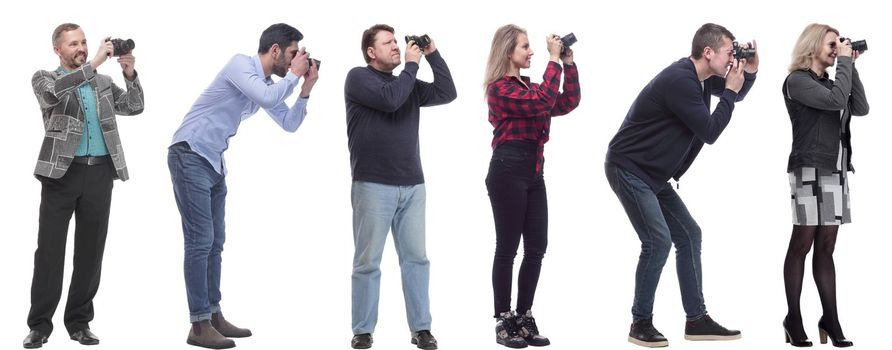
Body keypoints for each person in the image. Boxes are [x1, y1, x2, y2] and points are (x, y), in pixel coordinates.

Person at [604, 23, 757, 348]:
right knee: (658, 241)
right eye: (729, 52)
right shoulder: (681, 80)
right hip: (628, 168)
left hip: (651, 174)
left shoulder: (699, 78)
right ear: (708, 52)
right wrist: (729, 92)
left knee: (689, 234)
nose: (733, 59)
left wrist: (751, 72)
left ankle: (696, 320)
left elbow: (736, 92)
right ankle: (640, 323)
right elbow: (710, 131)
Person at [168, 23, 318, 349]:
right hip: (189, 153)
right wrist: (293, 76)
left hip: (214, 163)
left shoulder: (264, 84)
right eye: (293, 54)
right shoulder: (240, 65)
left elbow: (289, 123)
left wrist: (305, 89)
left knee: (216, 242)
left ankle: (214, 315)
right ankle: (198, 324)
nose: (296, 61)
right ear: (275, 50)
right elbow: (267, 96)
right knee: (200, 241)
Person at [24, 22, 145, 349]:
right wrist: (92, 64)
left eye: (83, 42)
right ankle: (39, 326)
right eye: (73, 44)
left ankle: (78, 322)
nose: (80, 48)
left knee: (90, 253)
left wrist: (130, 75)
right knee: (50, 252)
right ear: (57, 50)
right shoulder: (45, 78)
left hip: (100, 173)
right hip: (61, 175)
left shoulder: (103, 83)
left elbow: (134, 106)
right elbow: (52, 95)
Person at [344, 24, 456, 350]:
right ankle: (363, 331)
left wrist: (432, 54)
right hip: (372, 185)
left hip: (413, 186)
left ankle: (422, 329)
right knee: (368, 261)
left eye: (397, 42)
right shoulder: (358, 78)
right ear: (370, 52)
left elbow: (447, 92)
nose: (396, 46)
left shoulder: (405, 82)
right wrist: (411, 64)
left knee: (416, 260)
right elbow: (391, 100)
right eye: (388, 43)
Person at [482, 24, 580, 349]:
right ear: (508, 50)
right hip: (507, 170)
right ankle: (503, 319)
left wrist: (567, 62)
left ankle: (523, 317)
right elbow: (540, 103)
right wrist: (553, 59)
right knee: (507, 248)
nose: (531, 52)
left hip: (534, 172)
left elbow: (567, 101)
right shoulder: (499, 89)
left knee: (537, 247)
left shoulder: (532, 87)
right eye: (525, 47)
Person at [781, 23, 868, 348]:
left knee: (827, 247)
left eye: (839, 45)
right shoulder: (797, 82)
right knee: (802, 243)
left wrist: (851, 66)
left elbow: (859, 107)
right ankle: (793, 318)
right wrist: (844, 63)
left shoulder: (833, 81)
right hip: (808, 169)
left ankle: (829, 319)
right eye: (832, 44)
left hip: (835, 169)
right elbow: (834, 102)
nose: (836, 49)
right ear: (813, 45)